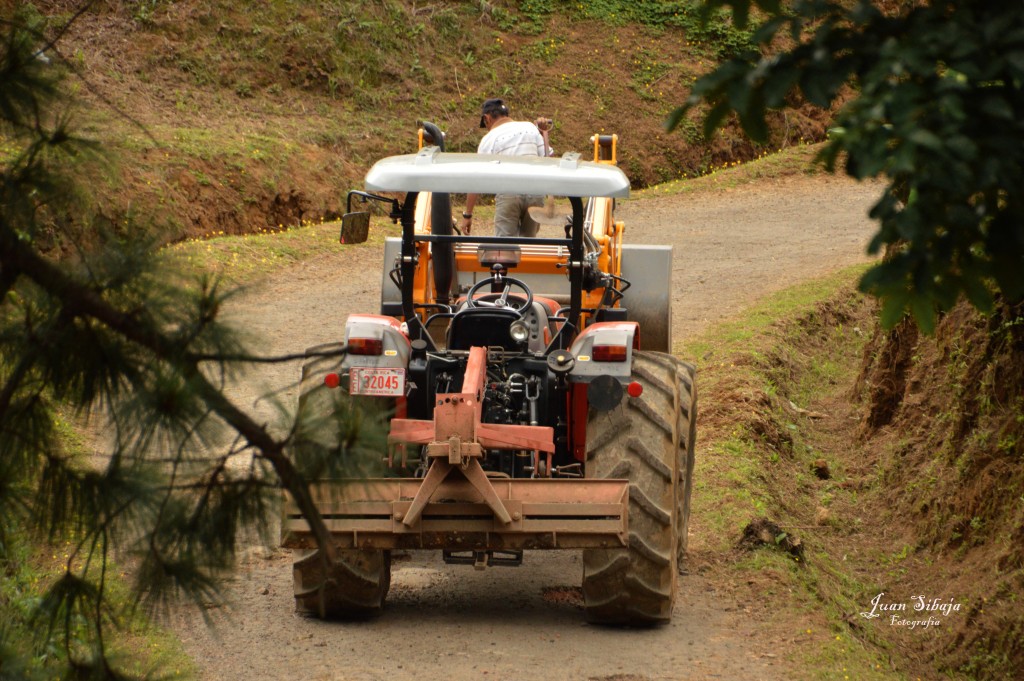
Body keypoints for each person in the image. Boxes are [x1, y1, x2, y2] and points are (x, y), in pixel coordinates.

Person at [461, 98, 553, 236]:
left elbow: (476, 179)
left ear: (487, 118)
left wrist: (467, 215)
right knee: (529, 244)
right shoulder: (530, 127)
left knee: (504, 247)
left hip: (509, 193)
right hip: (535, 192)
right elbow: (548, 158)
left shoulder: (489, 139)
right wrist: (542, 133)